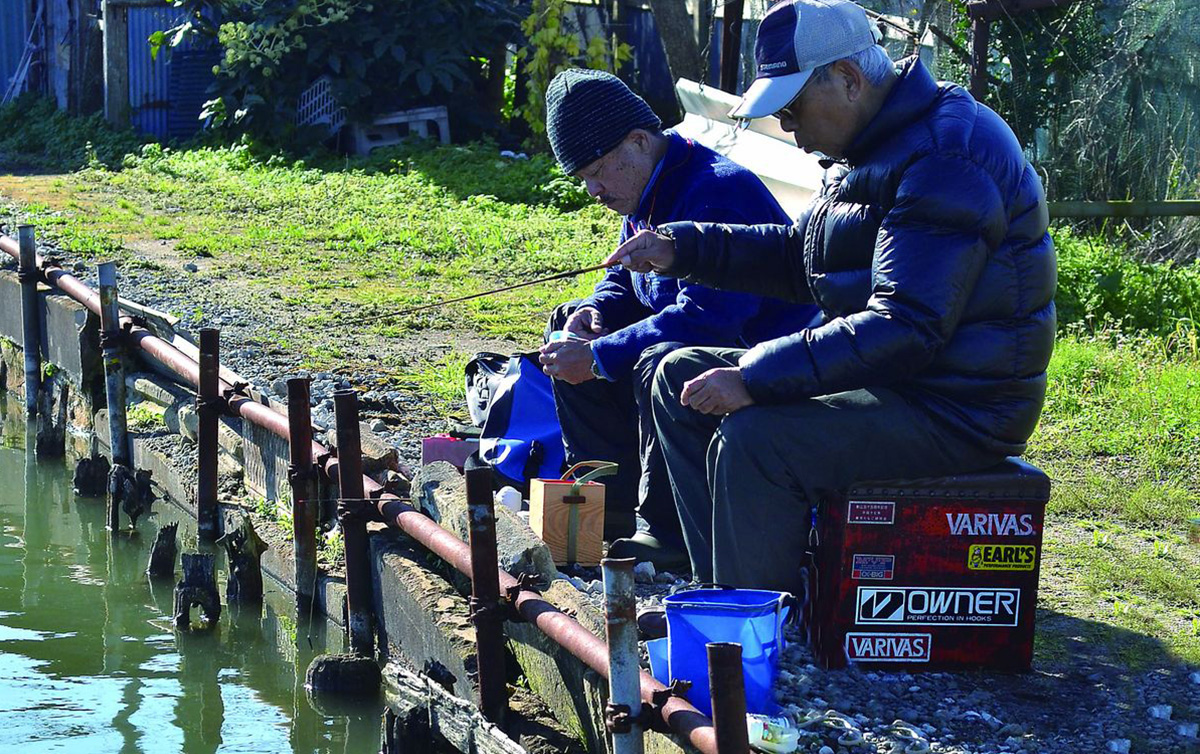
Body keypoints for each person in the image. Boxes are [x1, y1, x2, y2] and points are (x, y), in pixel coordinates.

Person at [607, 0, 1056, 591]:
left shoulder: (946, 156)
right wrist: (684, 248)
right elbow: (808, 258)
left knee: (758, 439)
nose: (790, 131)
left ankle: (755, 619)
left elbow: (905, 326)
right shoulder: (873, 142)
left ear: (847, 78)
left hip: (957, 407)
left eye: (791, 110)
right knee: (677, 376)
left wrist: (754, 377)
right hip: (899, 379)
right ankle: (725, 590)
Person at [537, 68, 816, 570]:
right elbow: (625, 277)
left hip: (762, 362)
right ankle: (610, 506)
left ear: (638, 141)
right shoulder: (646, 186)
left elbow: (707, 320)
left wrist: (598, 356)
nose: (594, 189)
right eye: (583, 178)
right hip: (704, 340)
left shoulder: (716, 191)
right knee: (569, 326)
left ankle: (668, 532)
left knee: (660, 359)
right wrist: (593, 312)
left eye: (598, 170)